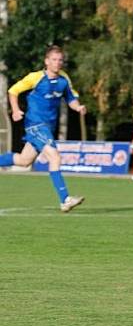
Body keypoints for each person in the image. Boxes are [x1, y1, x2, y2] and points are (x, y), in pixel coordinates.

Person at [0, 45, 86, 212]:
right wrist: (16, 110)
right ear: (46, 61)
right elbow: (13, 91)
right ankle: (65, 199)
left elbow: (70, 97)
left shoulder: (63, 79)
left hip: (48, 126)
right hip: (35, 124)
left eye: (60, 60)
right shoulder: (36, 77)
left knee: (24, 161)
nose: (58, 63)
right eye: (54, 59)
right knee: (54, 156)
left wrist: (78, 107)